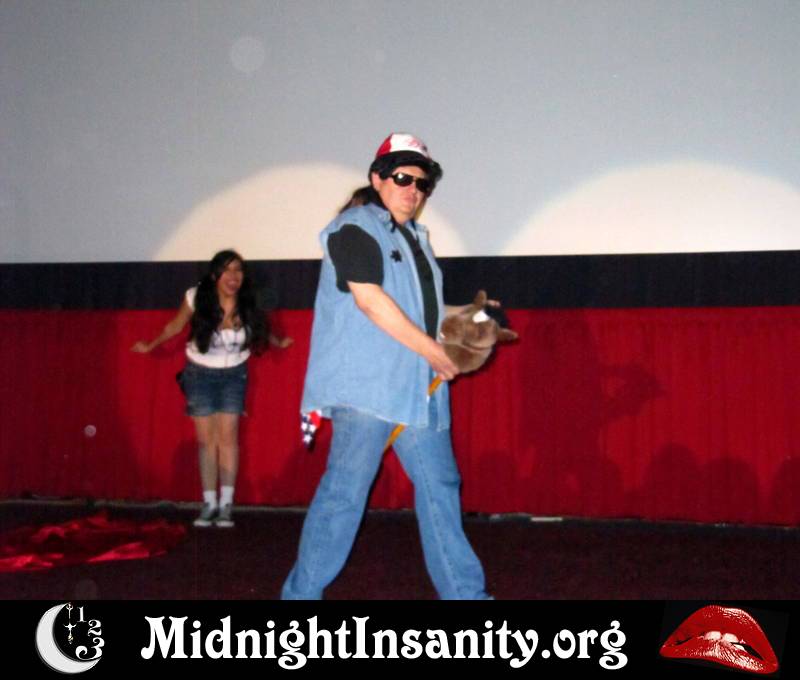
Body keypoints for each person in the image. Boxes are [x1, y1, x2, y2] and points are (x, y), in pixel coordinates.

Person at [282, 133, 491, 599]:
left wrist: (473, 318)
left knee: (441, 488)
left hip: (418, 389)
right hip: (368, 390)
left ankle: (467, 598)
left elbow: (423, 314)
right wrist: (434, 351)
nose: (413, 190)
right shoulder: (354, 227)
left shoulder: (416, 238)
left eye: (422, 183)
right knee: (344, 496)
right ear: (377, 178)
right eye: (402, 178)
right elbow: (370, 301)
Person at [132, 250, 292, 528]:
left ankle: (226, 505)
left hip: (234, 375)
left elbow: (261, 328)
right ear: (215, 275)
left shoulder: (248, 299)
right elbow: (175, 326)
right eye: (227, 270)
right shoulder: (197, 297)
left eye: (238, 270)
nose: (233, 276)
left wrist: (279, 342)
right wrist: (150, 345)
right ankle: (209, 503)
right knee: (207, 441)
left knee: (228, 438)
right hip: (199, 374)